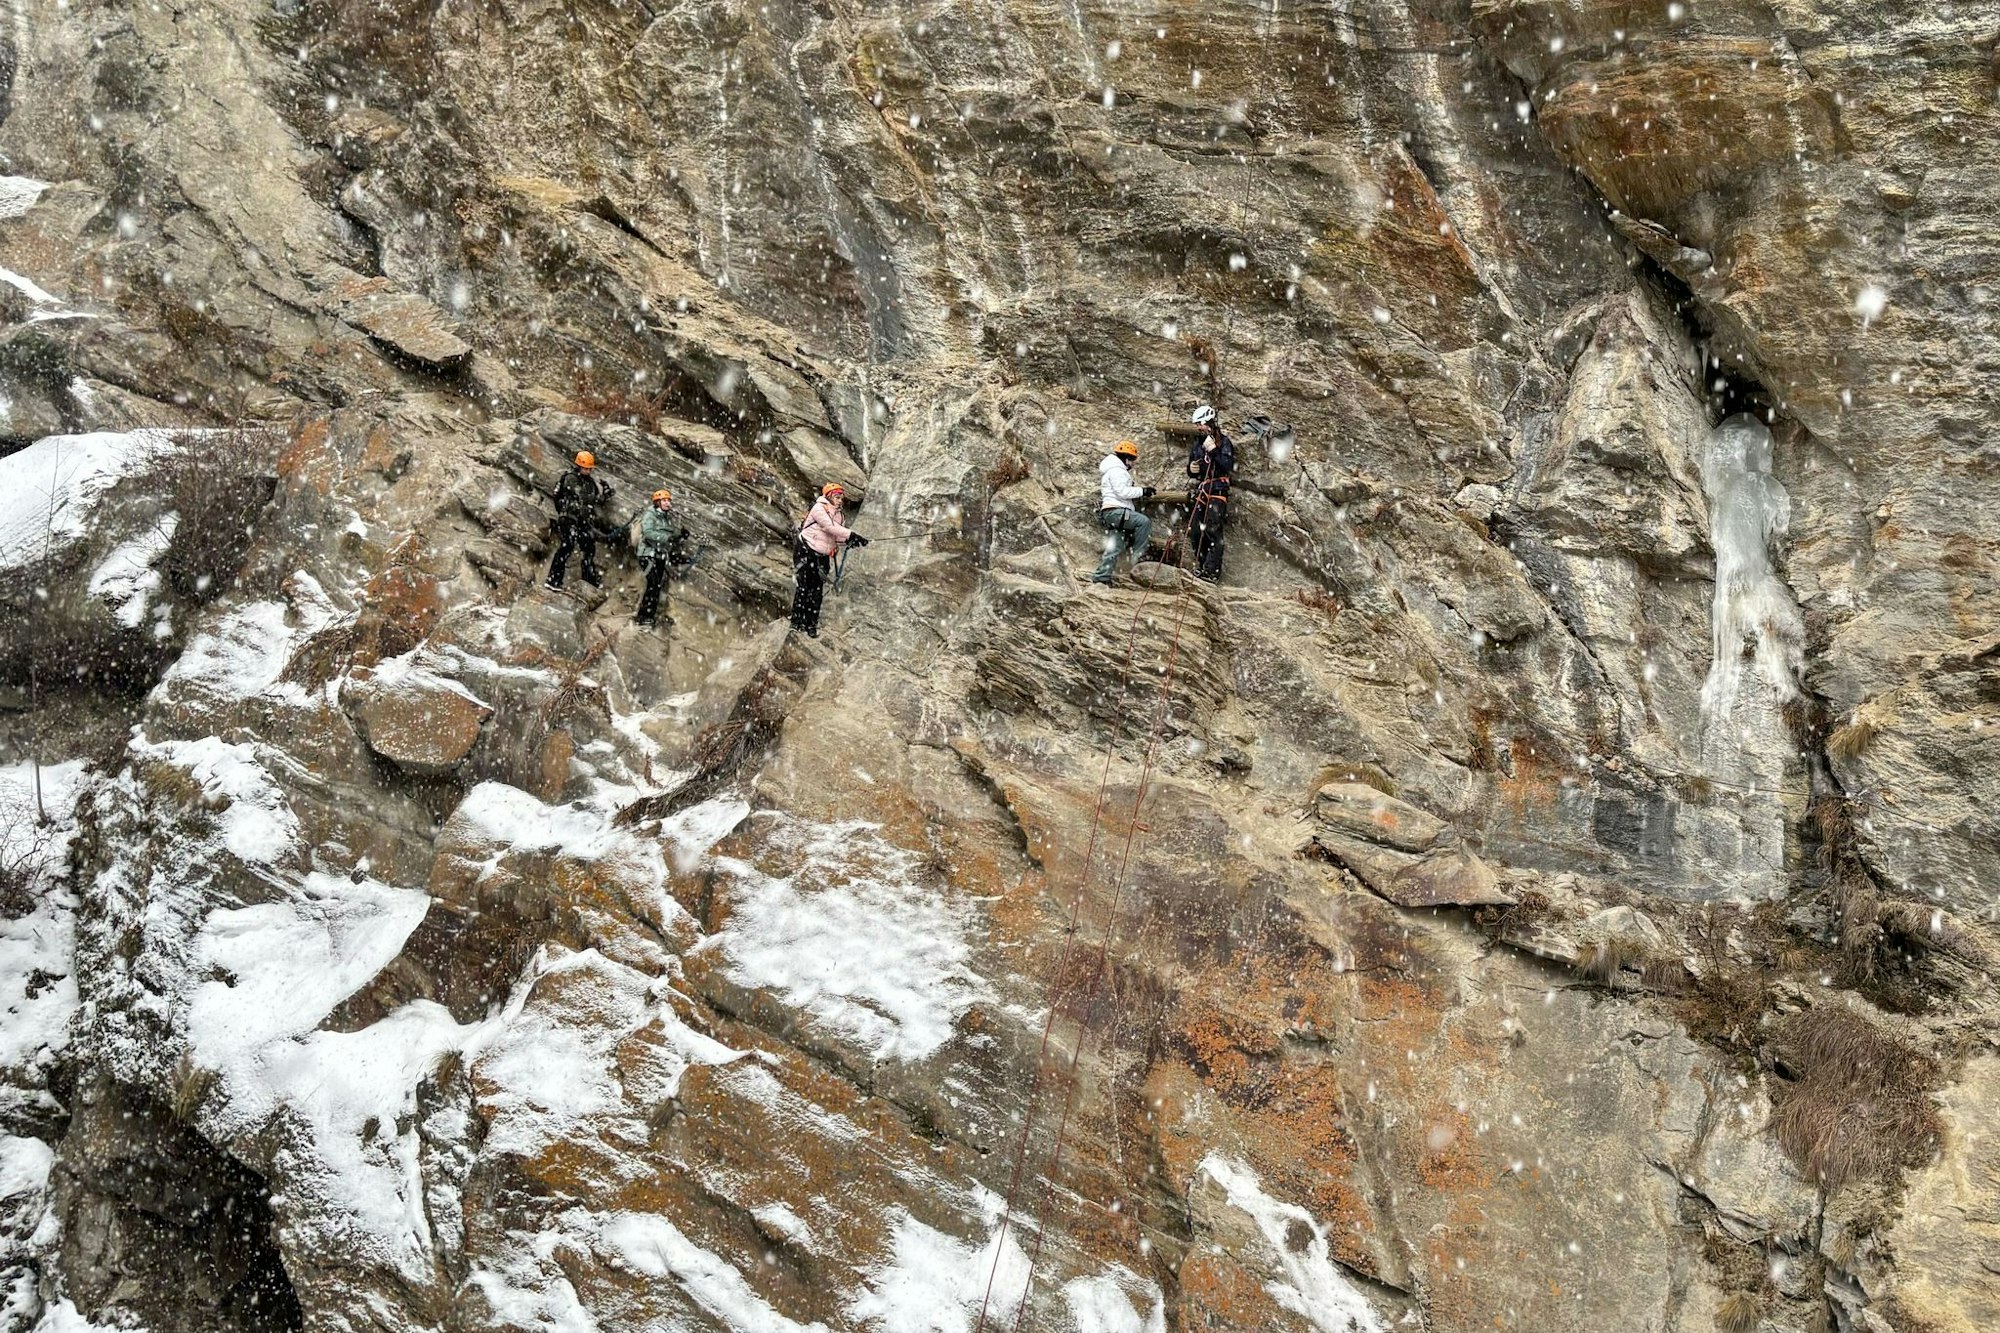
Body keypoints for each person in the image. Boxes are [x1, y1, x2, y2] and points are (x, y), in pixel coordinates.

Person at [791, 482, 868, 636]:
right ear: (829, 496)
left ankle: (811, 625)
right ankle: (797, 622)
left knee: (817, 591)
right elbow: (828, 527)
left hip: (823, 556)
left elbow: (837, 536)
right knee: (804, 587)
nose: (840, 501)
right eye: (837, 497)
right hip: (806, 551)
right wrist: (851, 535)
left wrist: (850, 541)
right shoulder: (819, 508)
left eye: (841, 498)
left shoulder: (840, 515)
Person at [547, 450, 609, 590]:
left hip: (582, 520)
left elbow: (594, 500)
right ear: (579, 466)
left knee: (589, 547)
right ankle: (553, 580)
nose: (588, 471)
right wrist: (596, 497)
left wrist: (605, 493)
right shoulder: (571, 478)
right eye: (586, 468)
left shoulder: (590, 483)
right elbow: (581, 495)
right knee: (567, 546)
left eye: (589, 468)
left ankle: (588, 580)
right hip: (568, 517)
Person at [1093, 440, 1154, 584]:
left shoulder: (1113, 470)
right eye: (1132, 460)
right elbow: (1122, 492)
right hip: (1117, 512)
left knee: (1115, 547)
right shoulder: (1118, 471)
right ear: (1126, 458)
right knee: (1143, 522)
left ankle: (1102, 577)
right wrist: (1143, 491)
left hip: (1113, 513)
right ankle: (1138, 559)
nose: (1133, 464)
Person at [1186, 405, 1234, 582]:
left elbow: (1227, 466)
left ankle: (1212, 571)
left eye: (1200, 424)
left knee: (1212, 529)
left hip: (1218, 489)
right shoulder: (1197, 446)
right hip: (1204, 489)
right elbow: (1193, 469)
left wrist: (1213, 449)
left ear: (1209, 423)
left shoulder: (1224, 442)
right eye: (1197, 424)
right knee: (1196, 531)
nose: (1198, 427)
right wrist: (1191, 469)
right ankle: (1203, 565)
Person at [629, 488, 686, 629]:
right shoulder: (650, 514)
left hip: (659, 556)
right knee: (653, 584)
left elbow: (671, 532)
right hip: (647, 555)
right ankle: (643, 616)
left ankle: (648, 616)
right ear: (657, 502)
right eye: (664, 500)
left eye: (668, 500)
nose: (667, 503)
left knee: (656, 586)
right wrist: (668, 537)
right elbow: (648, 534)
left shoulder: (666, 518)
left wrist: (681, 535)